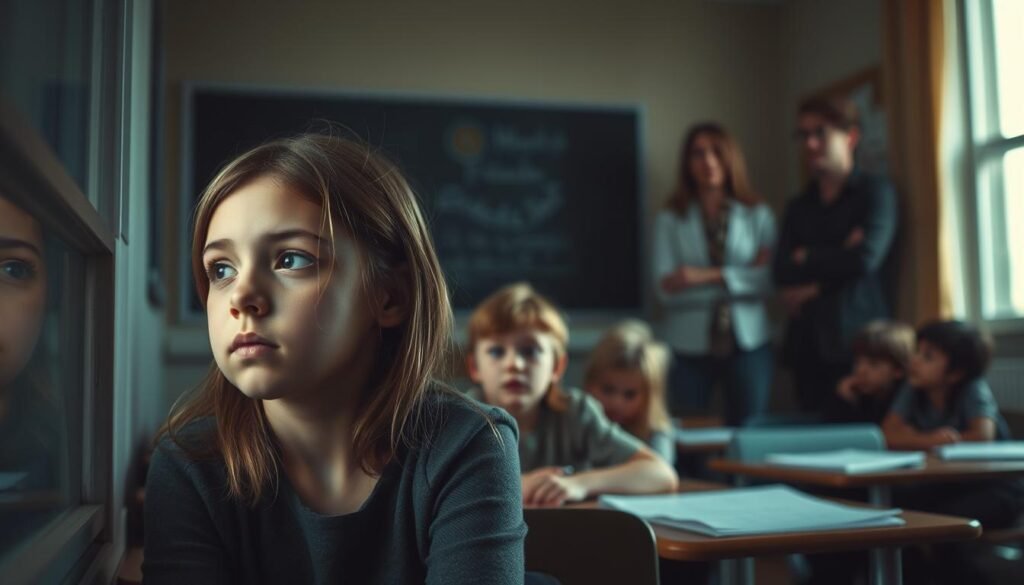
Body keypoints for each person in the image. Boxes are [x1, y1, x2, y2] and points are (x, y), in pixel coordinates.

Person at [144, 134, 526, 584]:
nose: (241, 296)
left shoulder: (467, 447)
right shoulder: (188, 467)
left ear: (389, 296)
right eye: (221, 269)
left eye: (291, 259)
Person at [465, 282, 678, 508]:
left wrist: (578, 484)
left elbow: (661, 474)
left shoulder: (575, 412)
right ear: (475, 367)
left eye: (530, 351)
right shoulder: (461, 419)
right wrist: (515, 485)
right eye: (497, 351)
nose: (514, 364)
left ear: (557, 367)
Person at [774, 97, 898, 415]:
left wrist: (810, 260)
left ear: (851, 137)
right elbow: (782, 270)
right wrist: (839, 251)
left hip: (858, 345)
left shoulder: (876, 193)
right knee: (809, 442)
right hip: (807, 344)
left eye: (820, 133)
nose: (811, 143)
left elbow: (864, 259)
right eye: (803, 135)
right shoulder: (798, 207)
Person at [653, 122, 776, 426]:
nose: (708, 161)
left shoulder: (757, 214)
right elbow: (664, 289)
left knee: (749, 428)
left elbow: (768, 281)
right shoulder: (671, 218)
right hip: (687, 344)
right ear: (687, 162)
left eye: (716, 152)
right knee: (690, 430)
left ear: (729, 158)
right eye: (698, 153)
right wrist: (740, 277)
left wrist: (699, 277)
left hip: (749, 341)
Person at [883, 320, 1023, 585]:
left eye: (928, 356)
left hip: (997, 488)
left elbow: (981, 436)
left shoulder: (972, 388)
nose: (914, 361)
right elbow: (888, 434)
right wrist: (930, 439)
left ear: (955, 373)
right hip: (946, 485)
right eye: (917, 352)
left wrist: (912, 437)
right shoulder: (913, 388)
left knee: (945, 528)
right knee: (900, 519)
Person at [583, 320, 675, 466]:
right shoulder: (576, 425)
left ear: (649, 397)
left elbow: (659, 473)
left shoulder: (656, 433)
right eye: (608, 389)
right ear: (589, 384)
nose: (616, 403)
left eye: (630, 395)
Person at [825, 320, 913, 424]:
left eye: (873, 364)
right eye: (858, 362)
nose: (860, 370)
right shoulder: (856, 395)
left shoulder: (907, 400)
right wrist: (844, 401)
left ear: (899, 370)